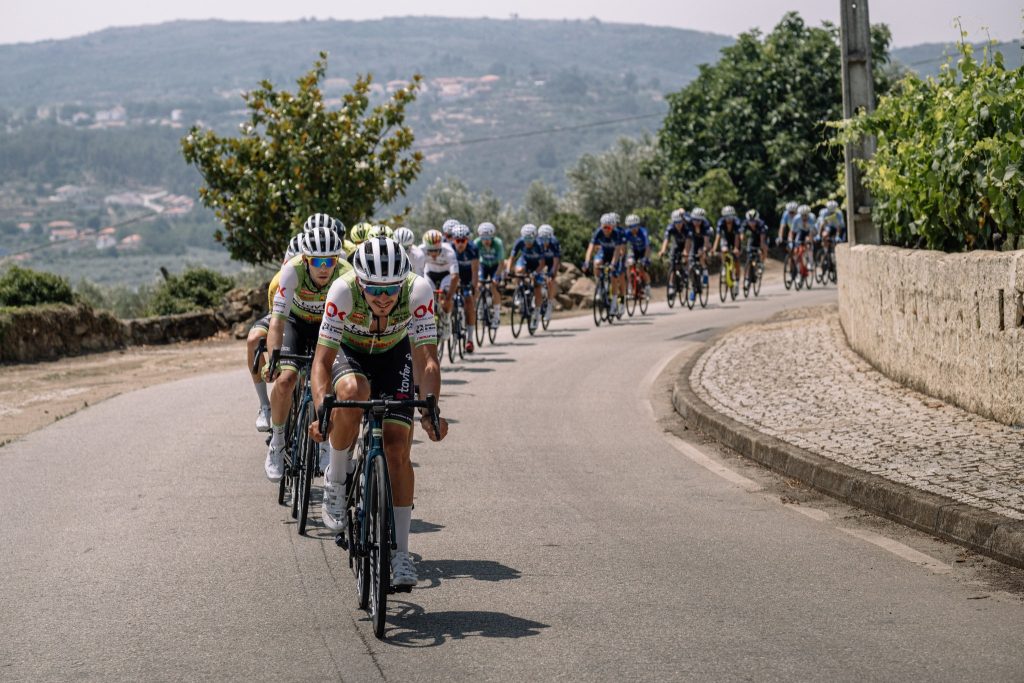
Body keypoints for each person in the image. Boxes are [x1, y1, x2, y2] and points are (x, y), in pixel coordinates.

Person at [310, 237, 448, 588]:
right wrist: (322, 411)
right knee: (354, 394)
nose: (383, 298)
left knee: (398, 448)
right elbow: (322, 361)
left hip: (393, 355)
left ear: (402, 282)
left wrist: (431, 408)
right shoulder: (342, 291)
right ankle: (337, 480)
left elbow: (427, 358)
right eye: (373, 289)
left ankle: (401, 553)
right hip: (350, 353)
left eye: (390, 289)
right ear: (359, 282)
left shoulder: (418, 291)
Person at [262, 224, 351, 481]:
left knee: (334, 385)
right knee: (286, 379)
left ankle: (325, 443)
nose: (324, 267)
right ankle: (277, 442)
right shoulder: (291, 272)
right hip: (296, 325)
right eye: (317, 261)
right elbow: (277, 322)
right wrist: (275, 358)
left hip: (328, 328)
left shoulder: (346, 274)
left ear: (338, 259)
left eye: (330, 260)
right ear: (305, 259)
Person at [583, 213, 626, 317]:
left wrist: (613, 264)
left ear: (613, 227)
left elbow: (617, 251)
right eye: (604, 227)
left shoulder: (617, 234)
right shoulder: (598, 232)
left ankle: (616, 301)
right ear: (601, 226)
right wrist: (587, 261)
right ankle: (599, 285)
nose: (606, 229)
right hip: (603, 252)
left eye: (609, 227)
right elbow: (590, 248)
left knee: (614, 276)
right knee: (596, 263)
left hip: (614, 255)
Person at [507, 223, 548, 330]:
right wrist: (508, 270)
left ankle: (537, 313)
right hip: (524, 261)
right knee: (519, 271)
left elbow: (542, 263)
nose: (528, 242)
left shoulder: (539, 244)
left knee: (537, 286)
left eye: (530, 240)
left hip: (537, 265)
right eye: (526, 239)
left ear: (535, 237)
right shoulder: (519, 242)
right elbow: (511, 257)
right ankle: (520, 292)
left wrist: (536, 273)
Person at [450, 223, 480, 351]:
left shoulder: (473, 249)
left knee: (469, 303)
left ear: (467, 240)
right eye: (458, 240)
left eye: (463, 240)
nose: (460, 243)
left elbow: (475, 270)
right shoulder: (449, 249)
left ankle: (470, 339)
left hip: (468, 277)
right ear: (453, 240)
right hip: (455, 275)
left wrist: (473, 286)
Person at [420, 229, 459, 316]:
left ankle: (447, 319)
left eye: (436, 250)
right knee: (426, 298)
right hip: (429, 274)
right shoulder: (420, 251)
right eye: (430, 250)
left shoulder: (449, 251)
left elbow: (455, 276)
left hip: (446, 274)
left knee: (446, 297)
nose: (433, 254)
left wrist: (449, 298)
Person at [474, 221, 505, 328]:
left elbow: (502, 264)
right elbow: (474, 262)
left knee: (493, 286)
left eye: (488, 238)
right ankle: (480, 309)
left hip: (496, 266)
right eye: (483, 238)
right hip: (483, 265)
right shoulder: (476, 243)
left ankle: (496, 316)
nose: (486, 241)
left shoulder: (498, 243)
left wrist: (496, 276)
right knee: (478, 286)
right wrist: (476, 276)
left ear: (492, 237)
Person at [711, 206, 743, 296]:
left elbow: (737, 237)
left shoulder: (737, 222)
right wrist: (714, 248)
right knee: (724, 250)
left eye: (730, 217)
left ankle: (736, 281)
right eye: (726, 217)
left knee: (736, 260)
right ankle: (724, 265)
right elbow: (718, 236)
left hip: (735, 239)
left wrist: (736, 248)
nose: (728, 219)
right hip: (726, 238)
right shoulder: (721, 222)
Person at [657, 208, 688, 298]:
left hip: (687, 243)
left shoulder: (686, 227)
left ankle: (686, 272)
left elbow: (689, 241)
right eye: (676, 223)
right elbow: (666, 240)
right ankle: (671, 285)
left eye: (680, 222)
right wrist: (662, 250)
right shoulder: (670, 227)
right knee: (673, 265)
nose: (678, 225)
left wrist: (686, 251)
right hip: (677, 244)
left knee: (687, 257)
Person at [621, 213, 651, 300]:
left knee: (642, 268)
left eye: (634, 226)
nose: (632, 229)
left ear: (638, 225)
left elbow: (647, 247)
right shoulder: (627, 233)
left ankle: (647, 287)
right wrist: (622, 256)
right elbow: (623, 245)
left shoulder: (643, 232)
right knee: (629, 265)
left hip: (644, 251)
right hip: (634, 251)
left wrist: (645, 258)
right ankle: (630, 286)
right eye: (630, 227)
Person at [685, 207, 713, 299]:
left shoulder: (705, 225)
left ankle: (705, 271)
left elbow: (706, 243)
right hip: (695, 241)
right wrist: (686, 252)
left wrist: (704, 250)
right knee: (690, 265)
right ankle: (694, 288)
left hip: (704, 242)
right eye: (694, 220)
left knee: (701, 254)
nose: (696, 222)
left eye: (699, 220)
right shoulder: (689, 222)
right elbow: (688, 240)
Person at [537, 224, 562, 324]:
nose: (544, 242)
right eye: (542, 239)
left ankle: (550, 305)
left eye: (547, 239)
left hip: (553, 261)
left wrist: (552, 273)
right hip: (541, 261)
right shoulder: (537, 242)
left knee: (550, 280)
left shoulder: (554, 243)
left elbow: (556, 262)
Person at [743, 209, 769, 287]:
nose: (752, 223)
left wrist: (761, 248)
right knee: (749, 255)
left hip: (762, 238)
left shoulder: (761, 225)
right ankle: (747, 278)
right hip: (753, 238)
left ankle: (761, 263)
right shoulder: (745, 224)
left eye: (754, 221)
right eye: (750, 221)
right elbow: (741, 234)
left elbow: (762, 240)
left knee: (763, 248)